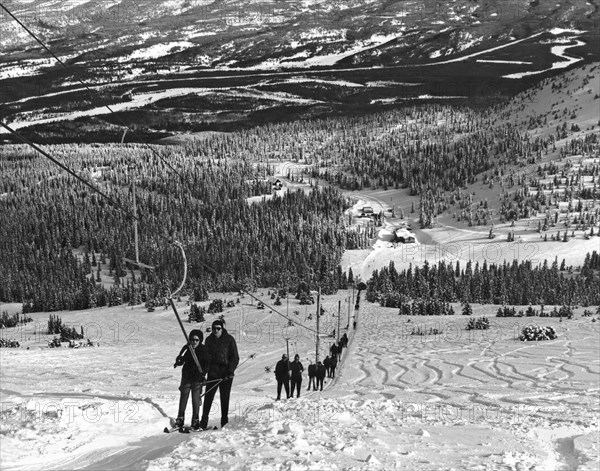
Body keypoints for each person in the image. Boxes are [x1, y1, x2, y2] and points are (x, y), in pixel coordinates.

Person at [199, 320, 239, 429]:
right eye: (214, 328)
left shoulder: (229, 340)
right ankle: (204, 421)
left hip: (226, 374)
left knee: (224, 398)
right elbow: (206, 359)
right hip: (213, 373)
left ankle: (224, 422)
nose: (216, 330)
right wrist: (204, 373)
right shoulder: (209, 340)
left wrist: (230, 371)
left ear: (222, 328)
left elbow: (235, 357)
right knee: (208, 397)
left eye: (218, 328)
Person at [173, 329, 206, 430]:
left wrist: (203, 373)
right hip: (187, 376)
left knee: (196, 399)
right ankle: (180, 418)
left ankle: (195, 420)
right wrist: (178, 361)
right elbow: (182, 358)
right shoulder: (187, 348)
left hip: (197, 378)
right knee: (184, 397)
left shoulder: (204, 350)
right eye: (192, 339)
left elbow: (207, 363)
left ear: (200, 340)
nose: (194, 342)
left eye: (196, 340)